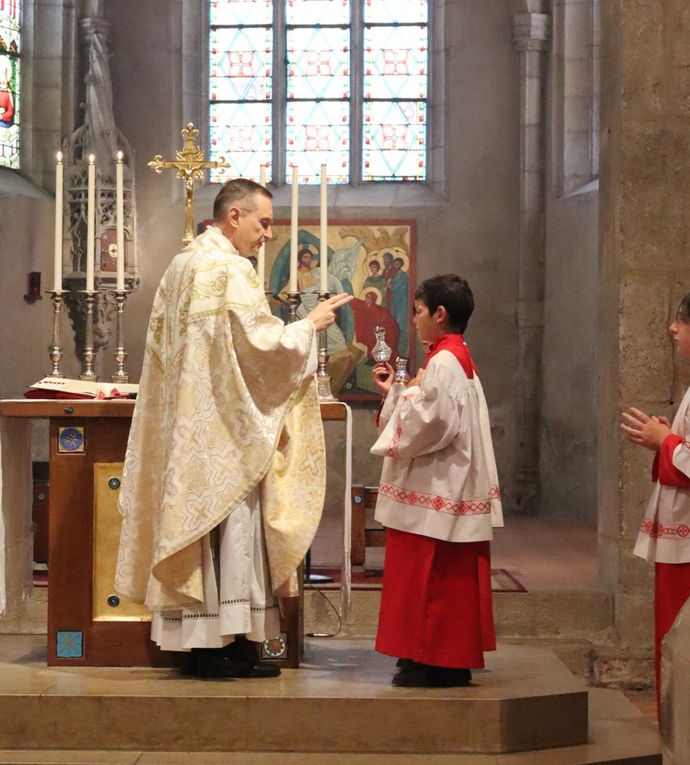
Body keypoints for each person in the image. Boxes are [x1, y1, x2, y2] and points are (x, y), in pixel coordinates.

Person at [114, 178, 351, 679]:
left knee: (213, 535)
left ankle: (221, 644)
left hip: (189, 430)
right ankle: (218, 647)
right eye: (263, 222)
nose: (269, 234)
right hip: (225, 431)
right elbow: (261, 348)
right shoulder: (229, 269)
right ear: (234, 216)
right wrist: (310, 325)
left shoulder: (182, 266)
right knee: (233, 530)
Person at [369, 274, 503, 687]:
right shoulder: (452, 355)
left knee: (436, 578)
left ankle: (438, 660)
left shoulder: (445, 361)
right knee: (426, 576)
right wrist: (399, 391)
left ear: (440, 314)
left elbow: (432, 422)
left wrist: (404, 396)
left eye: (419, 311)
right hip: (439, 483)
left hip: (438, 485)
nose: (414, 320)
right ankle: (422, 655)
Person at [620, 286, 690, 717]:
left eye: (682, 320)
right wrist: (667, 439)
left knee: (688, 638)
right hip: (688, 537)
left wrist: (666, 440)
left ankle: (687, 730)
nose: (672, 328)